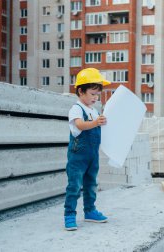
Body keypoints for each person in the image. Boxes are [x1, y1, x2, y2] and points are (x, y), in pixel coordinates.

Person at [64, 68, 111, 231]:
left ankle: (90, 211)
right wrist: (95, 123)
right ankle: (69, 215)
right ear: (80, 91)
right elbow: (79, 125)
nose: (95, 98)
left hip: (92, 156)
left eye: (97, 94)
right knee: (74, 186)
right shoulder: (76, 109)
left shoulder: (94, 111)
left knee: (91, 184)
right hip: (78, 157)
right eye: (92, 94)